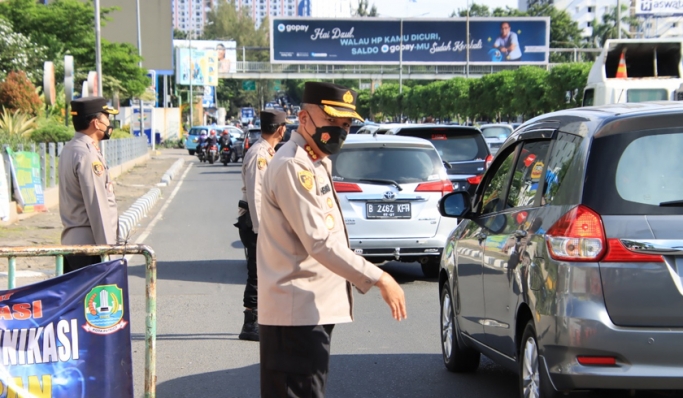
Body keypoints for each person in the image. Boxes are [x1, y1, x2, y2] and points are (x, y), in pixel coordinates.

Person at [257, 82, 407, 397]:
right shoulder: (293, 165)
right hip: (295, 315)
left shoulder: (313, 160)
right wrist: (380, 277)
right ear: (304, 118)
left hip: (308, 312)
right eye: (332, 122)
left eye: (346, 124)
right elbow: (320, 242)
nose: (339, 131)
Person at [235, 110, 287, 342]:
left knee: (267, 272)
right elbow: (257, 195)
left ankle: (266, 319)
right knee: (257, 273)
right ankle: (250, 324)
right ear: (280, 129)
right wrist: (260, 229)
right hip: (257, 223)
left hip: (265, 222)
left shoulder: (268, 152)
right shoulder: (260, 155)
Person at [58, 97, 119, 273]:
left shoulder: (71, 149)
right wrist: (108, 254)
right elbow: (98, 207)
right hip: (90, 247)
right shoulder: (87, 155)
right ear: (96, 123)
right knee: (93, 300)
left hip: (73, 243)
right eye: (107, 118)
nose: (109, 124)